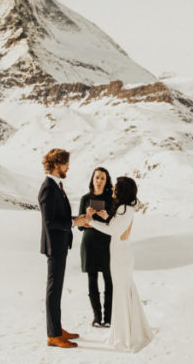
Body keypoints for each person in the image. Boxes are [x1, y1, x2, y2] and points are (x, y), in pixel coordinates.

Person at [87, 176, 154, 352]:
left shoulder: (124, 208)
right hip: (122, 253)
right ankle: (129, 331)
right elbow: (118, 226)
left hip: (120, 255)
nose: (114, 189)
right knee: (125, 291)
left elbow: (113, 230)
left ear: (122, 190)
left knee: (121, 293)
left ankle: (124, 336)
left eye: (116, 187)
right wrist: (108, 216)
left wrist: (90, 221)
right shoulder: (127, 208)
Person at [38, 148, 91, 349]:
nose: (68, 167)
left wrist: (78, 222)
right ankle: (53, 335)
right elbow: (50, 222)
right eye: (66, 163)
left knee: (57, 289)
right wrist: (73, 222)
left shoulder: (56, 186)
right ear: (57, 164)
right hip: (54, 245)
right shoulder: (48, 188)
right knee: (54, 290)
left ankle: (57, 329)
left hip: (60, 244)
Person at [78, 167, 115, 328]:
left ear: (106, 182)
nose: (99, 181)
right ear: (92, 179)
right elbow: (80, 225)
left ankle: (108, 318)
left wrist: (103, 219)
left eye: (102, 178)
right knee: (92, 279)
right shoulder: (84, 198)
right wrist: (88, 217)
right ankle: (96, 316)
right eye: (97, 177)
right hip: (90, 242)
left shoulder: (112, 199)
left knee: (109, 280)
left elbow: (114, 224)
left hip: (107, 242)